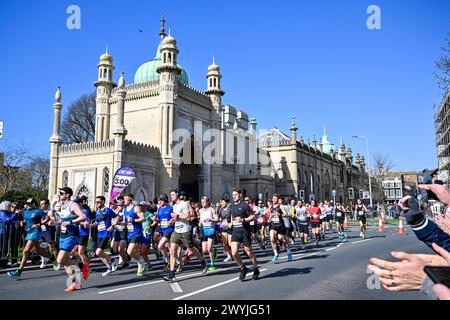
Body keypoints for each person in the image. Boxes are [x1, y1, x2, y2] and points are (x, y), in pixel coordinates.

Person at [163, 190, 207, 282]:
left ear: (178, 195)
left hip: (185, 231)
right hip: (176, 231)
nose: (171, 197)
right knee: (172, 250)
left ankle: (203, 261)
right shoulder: (174, 206)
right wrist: (172, 220)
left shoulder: (184, 204)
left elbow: (187, 216)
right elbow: (177, 218)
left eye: (173, 195)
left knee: (191, 248)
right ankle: (172, 273)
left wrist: (177, 215)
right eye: (170, 195)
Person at [7, 198, 53, 279]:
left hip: (36, 232)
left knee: (25, 251)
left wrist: (40, 223)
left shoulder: (38, 211)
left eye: (30, 203)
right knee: (37, 250)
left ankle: (19, 271)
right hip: (29, 232)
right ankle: (53, 258)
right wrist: (22, 222)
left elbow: (47, 218)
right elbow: (24, 219)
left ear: (34, 204)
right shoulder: (25, 211)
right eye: (27, 203)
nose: (28, 205)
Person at [228, 187, 260, 281]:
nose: (234, 196)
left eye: (236, 195)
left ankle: (255, 269)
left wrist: (243, 220)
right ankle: (243, 268)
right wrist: (229, 224)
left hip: (244, 232)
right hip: (235, 232)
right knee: (234, 253)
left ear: (240, 195)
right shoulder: (232, 206)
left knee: (249, 252)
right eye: (233, 195)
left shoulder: (245, 205)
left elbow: (253, 216)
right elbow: (232, 218)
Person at [123, 194, 147, 276]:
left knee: (129, 252)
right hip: (129, 233)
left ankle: (141, 263)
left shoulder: (135, 208)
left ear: (130, 200)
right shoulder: (125, 209)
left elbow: (143, 218)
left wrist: (134, 220)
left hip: (137, 233)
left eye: (125, 199)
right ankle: (143, 264)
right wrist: (117, 223)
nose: (124, 200)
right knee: (135, 251)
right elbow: (125, 222)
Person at [268, 194, 292, 262]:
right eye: (273, 198)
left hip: (280, 225)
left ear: (278, 199)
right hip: (273, 224)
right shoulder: (271, 206)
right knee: (272, 239)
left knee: (283, 239)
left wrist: (280, 214)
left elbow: (286, 214)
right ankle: (276, 254)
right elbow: (271, 214)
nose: (274, 200)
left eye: (275, 198)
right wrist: (269, 219)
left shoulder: (281, 206)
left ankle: (289, 253)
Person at [199, 195, 219, 271]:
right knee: (204, 250)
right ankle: (214, 251)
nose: (203, 203)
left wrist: (211, 219)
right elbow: (201, 218)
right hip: (204, 230)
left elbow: (216, 219)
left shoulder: (212, 209)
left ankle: (212, 264)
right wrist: (200, 223)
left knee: (209, 248)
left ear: (208, 202)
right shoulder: (200, 210)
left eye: (204, 202)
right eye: (202, 202)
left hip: (211, 229)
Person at [154, 194, 174, 269]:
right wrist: (155, 219)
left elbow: (175, 217)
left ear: (165, 200)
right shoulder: (159, 209)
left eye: (161, 200)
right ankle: (176, 262)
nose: (159, 202)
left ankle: (168, 261)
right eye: (159, 200)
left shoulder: (170, 208)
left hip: (169, 230)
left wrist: (172, 220)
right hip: (163, 230)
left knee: (160, 245)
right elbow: (158, 220)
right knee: (170, 248)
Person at [0, 201, 18, 268]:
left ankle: (4, 262)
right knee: (4, 248)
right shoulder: (2, 213)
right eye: (10, 206)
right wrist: (15, 214)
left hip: (7, 232)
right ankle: (2, 263)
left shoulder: (7, 212)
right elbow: (8, 220)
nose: (11, 207)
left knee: (6, 248)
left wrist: (14, 213)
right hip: (3, 232)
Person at [111, 201, 129, 269]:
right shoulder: (116, 213)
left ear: (122, 206)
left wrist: (118, 222)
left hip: (123, 232)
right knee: (114, 248)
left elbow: (125, 222)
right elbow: (113, 221)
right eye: (117, 205)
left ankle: (126, 263)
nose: (117, 207)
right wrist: (111, 226)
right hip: (117, 232)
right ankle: (122, 257)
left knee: (120, 249)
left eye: (119, 206)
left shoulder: (125, 213)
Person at [218, 197, 233, 262]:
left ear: (226, 203)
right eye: (221, 202)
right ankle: (229, 256)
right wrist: (220, 222)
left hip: (230, 227)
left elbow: (232, 217)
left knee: (230, 243)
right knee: (224, 243)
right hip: (223, 227)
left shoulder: (230, 209)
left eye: (223, 202)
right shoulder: (220, 210)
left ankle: (234, 253)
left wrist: (231, 223)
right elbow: (219, 219)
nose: (222, 203)